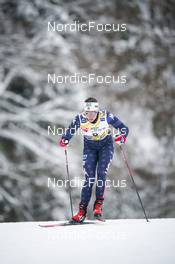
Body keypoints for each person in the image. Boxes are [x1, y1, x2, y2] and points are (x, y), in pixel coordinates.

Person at [59, 97, 129, 222]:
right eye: (87, 113)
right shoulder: (79, 119)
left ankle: (98, 206)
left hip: (105, 146)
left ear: (97, 111)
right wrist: (65, 140)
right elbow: (69, 131)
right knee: (89, 178)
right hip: (90, 148)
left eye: (93, 113)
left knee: (101, 173)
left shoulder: (106, 116)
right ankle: (81, 211)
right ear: (84, 111)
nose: (90, 116)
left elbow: (124, 129)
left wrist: (121, 138)